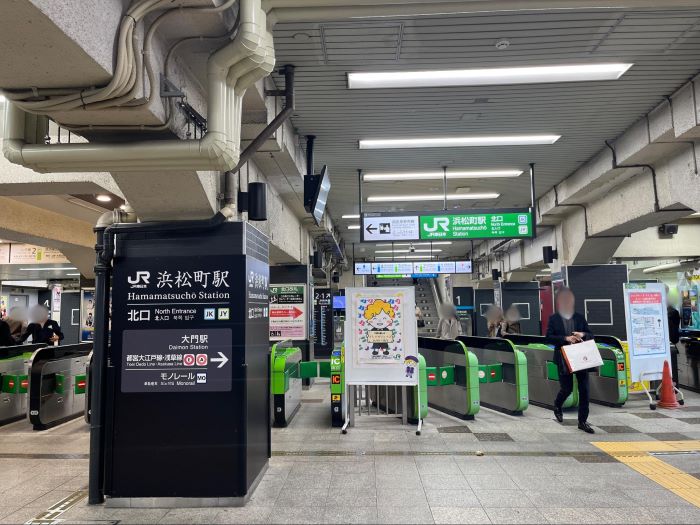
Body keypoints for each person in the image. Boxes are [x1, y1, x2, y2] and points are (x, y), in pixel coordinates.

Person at [546, 287, 595, 434]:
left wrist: (583, 334)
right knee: (566, 388)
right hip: (563, 358)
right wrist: (566, 338)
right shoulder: (553, 319)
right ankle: (558, 405)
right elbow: (548, 337)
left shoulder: (580, 318)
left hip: (580, 358)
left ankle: (582, 422)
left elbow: (591, 334)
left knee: (584, 390)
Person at [667, 286, 681, 384]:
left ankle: (673, 385)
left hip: (670, 342)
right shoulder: (673, 312)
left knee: (671, 366)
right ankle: (673, 385)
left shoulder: (671, 312)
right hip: (672, 341)